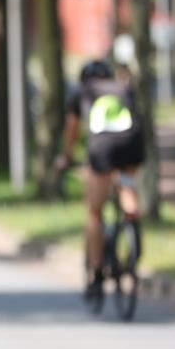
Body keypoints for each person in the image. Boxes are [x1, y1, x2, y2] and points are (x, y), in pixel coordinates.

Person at [56, 60, 145, 302]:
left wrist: (66, 157)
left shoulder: (81, 93)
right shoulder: (123, 88)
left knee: (94, 212)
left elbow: (72, 130)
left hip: (102, 148)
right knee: (126, 182)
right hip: (132, 146)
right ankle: (132, 217)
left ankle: (96, 273)